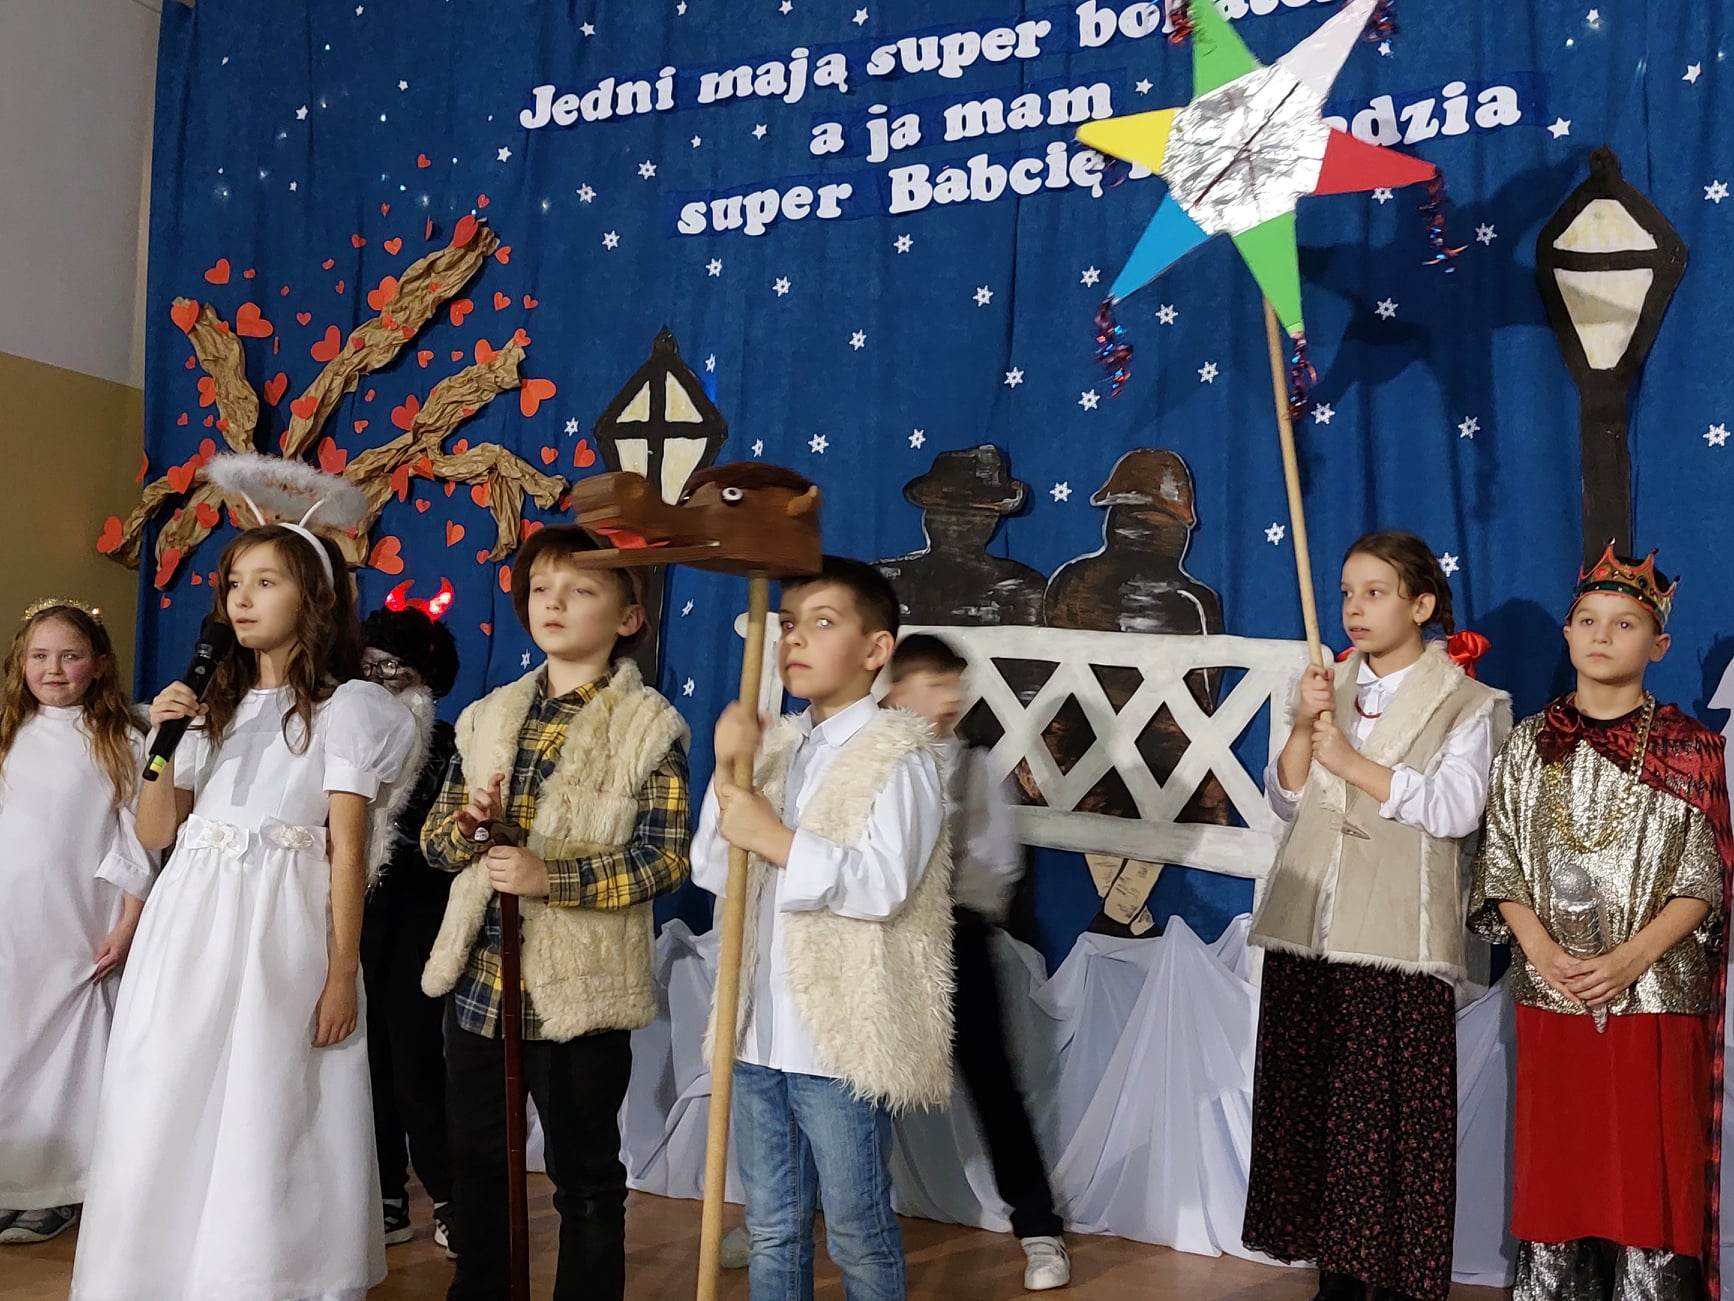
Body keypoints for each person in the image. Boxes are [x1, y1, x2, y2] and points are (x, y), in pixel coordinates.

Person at [70, 506, 418, 1300]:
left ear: (313, 597)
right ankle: (156, 1272)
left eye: (266, 582)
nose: (243, 599)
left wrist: (341, 970)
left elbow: (348, 849)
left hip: (278, 925)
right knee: (165, 1088)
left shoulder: (347, 708)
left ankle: (257, 1274)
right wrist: (162, 743)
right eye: (234, 584)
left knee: (267, 1099)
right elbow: (157, 831)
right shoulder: (209, 707)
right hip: (189, 923)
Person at [420, 525, 691, 1301]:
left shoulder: (650, 726)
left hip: (580, 994)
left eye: (580, 590)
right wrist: (470, 827)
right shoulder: (485, 715)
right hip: (480, 984)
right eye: (541, 588)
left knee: (585, 1173)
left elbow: (664, 859)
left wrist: (553, 876)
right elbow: (436, 845)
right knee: (478, 1164)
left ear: (628, 616)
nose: (555, 602)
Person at [1242, 531, 1511, 1301]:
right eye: (1347, 593)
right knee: (1316, 1110)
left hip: (1395, 938)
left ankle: (1392, 1278)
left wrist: (1356, 764)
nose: (1355, 608)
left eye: (1375, 592)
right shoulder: (1329, 684)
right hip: (1311, 927)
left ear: (1421, 604)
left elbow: (1455, 809)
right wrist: (1304, 724)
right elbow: (1287, 797)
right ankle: (1336, 1273)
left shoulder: (1467, 701)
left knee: (1387, 1121)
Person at [1469, 545, 1731, 1301]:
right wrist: (1542, 952)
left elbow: (1704, 880)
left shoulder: (1690, 748)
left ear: (1660, 645)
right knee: (1560, 1168)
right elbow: (1501, 862)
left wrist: (1628, 960)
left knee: (1648, 1171)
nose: (1601, 636)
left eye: (1624, 623)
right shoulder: (1528, 743)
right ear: (1567, 632)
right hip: (1554, 992)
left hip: (1655, 997)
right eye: (1587, 620)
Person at [694, 555, 951, 1300]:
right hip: (756, 1032)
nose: (795, 640)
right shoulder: (775, 745)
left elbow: (881, 885)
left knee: (855, 1229)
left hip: (836, 1041)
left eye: (823, 623)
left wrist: (775, 838)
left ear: (876, 649)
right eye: (788, 625)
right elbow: (715, 870)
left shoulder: (899, 754)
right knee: (771, 1226)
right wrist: (727, 769)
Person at [885, 632, 1069, 1291]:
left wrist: (952, 905)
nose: (950, 698)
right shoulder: (873, 761)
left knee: (993, 1084)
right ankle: (785, 1214)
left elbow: (997, 864)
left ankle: (1039, 1229)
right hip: (880, 939)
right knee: (843, 1084)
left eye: (956, 684)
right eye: (935, 684)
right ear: (897, 691)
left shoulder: (974, 767)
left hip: (956, 935)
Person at [0, 600, 153, 1246]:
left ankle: (61, 1186)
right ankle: (12, 1182)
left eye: (70, 656)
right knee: (11, 1044)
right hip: (12, 920)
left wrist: (128, 922)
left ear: (98, 663)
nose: (53, 669)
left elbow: (139, 839)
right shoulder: (9, 733)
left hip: (78, 919)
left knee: (68, 1051)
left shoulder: (122, 740)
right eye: (39, 656)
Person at [359, 604, 461, 1253]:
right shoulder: (340, 732)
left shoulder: (448, 745)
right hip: (350, 917)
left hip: (419, 918)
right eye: (369, 667)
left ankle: (449, 1193)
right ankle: (385, 1194)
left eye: (394, 668)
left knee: (416, 1060)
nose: (380, 680)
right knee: (364, 1059)